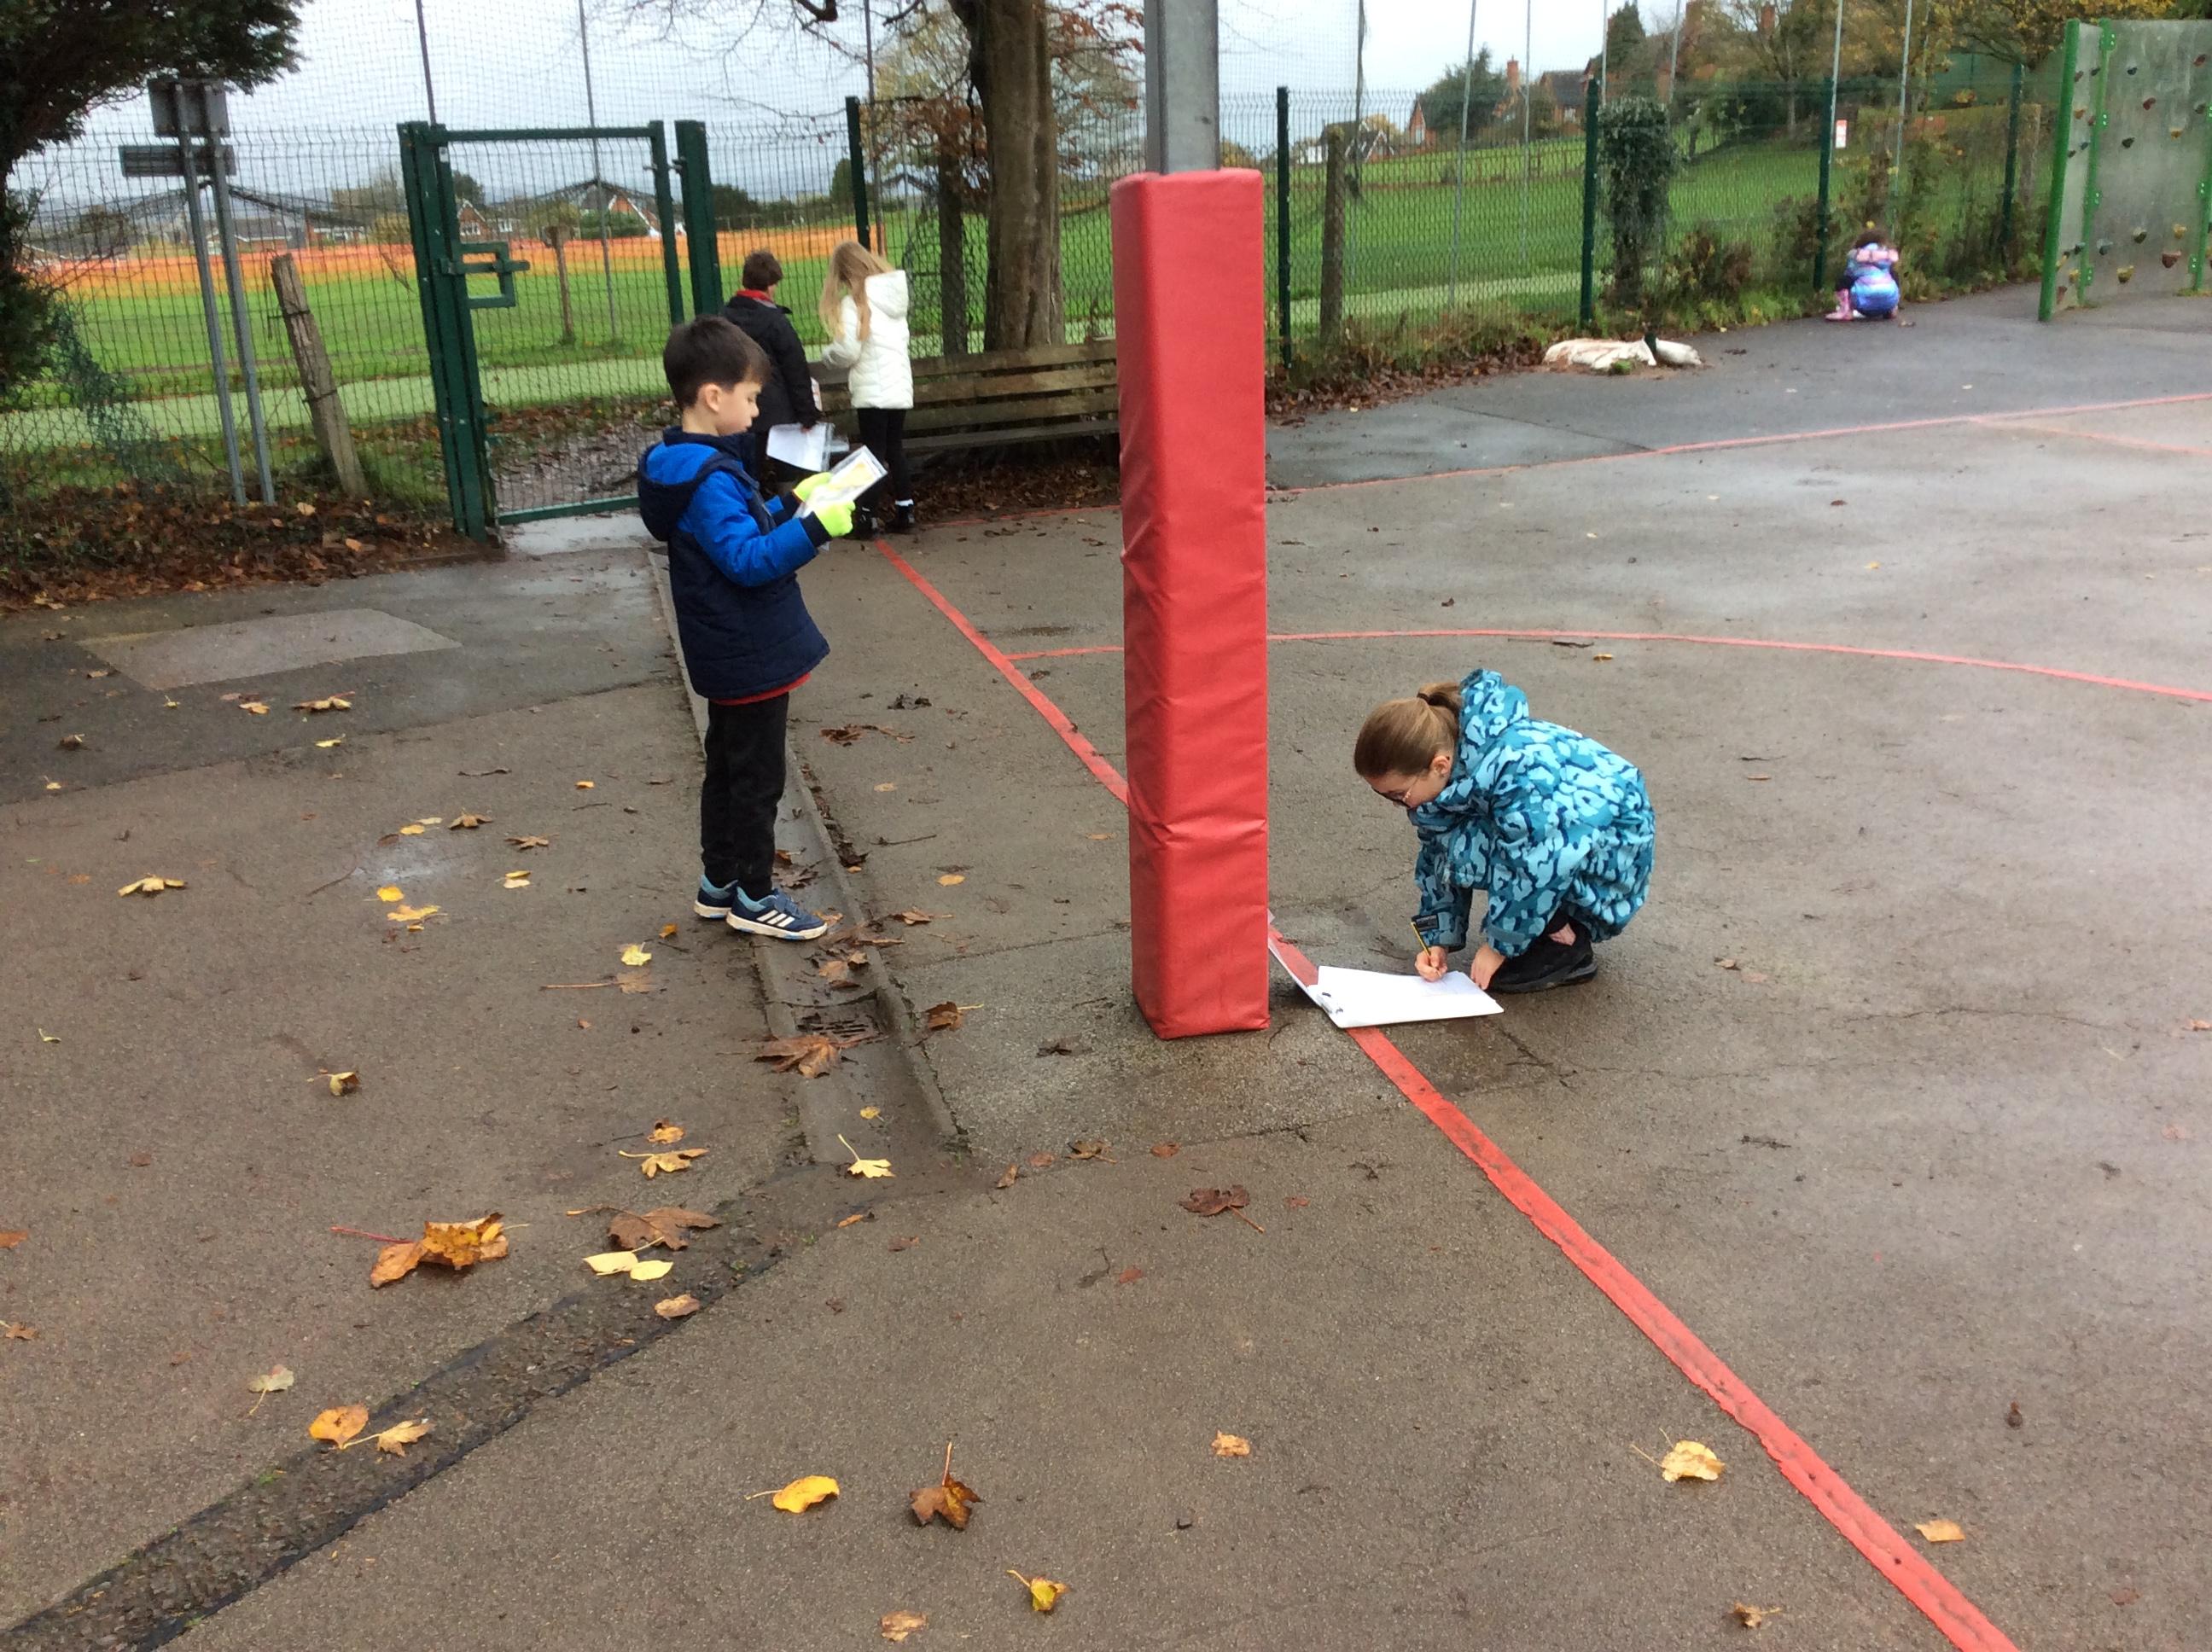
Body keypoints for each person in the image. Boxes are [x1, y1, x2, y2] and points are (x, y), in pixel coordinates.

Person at [637, 315, 855, 940]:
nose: (758, 411)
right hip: (749, 654)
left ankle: (719, 882)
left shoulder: (685, 465)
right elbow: (747, 560)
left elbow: (738, 527)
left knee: (728, 771)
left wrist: (793, 503)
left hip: (728, 651)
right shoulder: (709, 479)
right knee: (757, 779)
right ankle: (755, 896)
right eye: (752, 397)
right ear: (714, 396)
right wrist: (814, 530)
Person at [1354, 670, 1655, 994]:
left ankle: (1566, 937)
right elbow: (1439, 856)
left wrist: (1499, 946)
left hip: (1612, 853)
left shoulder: (1517, 771)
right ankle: (1536, 923)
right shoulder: (1454, 768)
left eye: (1399, 795)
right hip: (1569, 837)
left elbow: (1538, 859)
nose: (1396, 805)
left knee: (1506, 848)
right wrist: (1437, 940)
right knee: (1460, 839)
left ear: (1439, 765)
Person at [818, 239, 916, 533]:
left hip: (873, 390)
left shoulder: (854, 305)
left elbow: (849, 351)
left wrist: (828, 355)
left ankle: (865, 516)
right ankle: (906, 510)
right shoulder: (893, 301)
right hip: (899, 386)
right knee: (894, 448)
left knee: (872, 453)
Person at [720, 248, 820, 490]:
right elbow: (795, 370)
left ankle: (747, 506)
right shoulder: (777, 322)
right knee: (788, 472)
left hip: (738, 410)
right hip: (779, 412)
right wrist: (807, 414)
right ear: (771, 285)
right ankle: (788, 507)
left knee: (746, 473)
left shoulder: (724, 320)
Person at [1828, 230, 1901, 323]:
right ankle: (1892, 308)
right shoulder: (1887, 255)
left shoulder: (1856, 256)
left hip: (1863, 300)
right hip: (1888, 301)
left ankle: (1846, 310)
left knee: (1844, 281)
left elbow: (1850, 273)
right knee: (1893, 275)